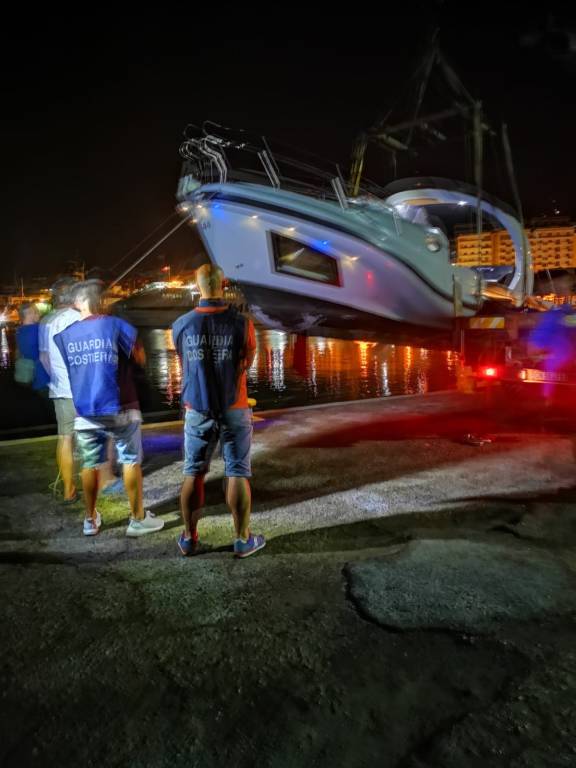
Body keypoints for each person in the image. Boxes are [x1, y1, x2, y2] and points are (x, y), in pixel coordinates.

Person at [54, 280, 164, 538]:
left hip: (85, 410)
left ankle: (90, 520)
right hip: (121, 406)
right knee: (130, 460)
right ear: (99, 301)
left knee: (90, 464)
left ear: (78, 303)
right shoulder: (116, 326)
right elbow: (139, 357)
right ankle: (137, 519)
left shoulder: (66, 335)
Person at [172, 263, 264, 558]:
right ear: (222, 283)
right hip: (233, 404)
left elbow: (184, 362)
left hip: (197, 406)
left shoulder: (181, 324)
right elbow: (247, 360)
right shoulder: (242, 323)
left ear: (197, 285)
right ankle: (241, 539)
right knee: (237, 470)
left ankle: (189, 538)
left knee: (193, 472)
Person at [39, 278, 81, 502]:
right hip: (82, 389)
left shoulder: (46, 321)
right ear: (74, 297)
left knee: (64, 438)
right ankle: (100, 481)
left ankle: (68, 489)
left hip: (60, 389)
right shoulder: (78, 318)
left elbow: (44, 358)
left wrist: (56, 378)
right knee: (93, 436)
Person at [15, 302, 50, 391]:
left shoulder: (19, 330)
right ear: (30, 314)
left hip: (30, 375)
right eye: (37, 312)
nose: (39, 314)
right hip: (43, 377)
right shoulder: (38, 329)